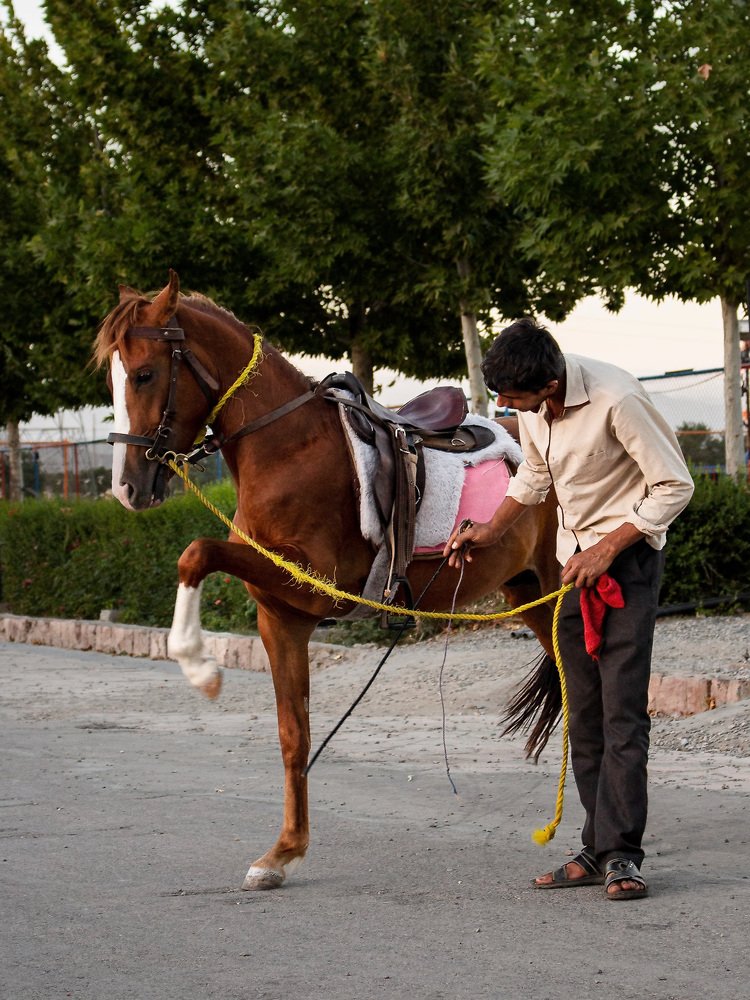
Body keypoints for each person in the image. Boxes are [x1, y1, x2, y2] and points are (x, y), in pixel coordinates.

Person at [443, 318, 694, 900]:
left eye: (514, 398)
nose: (505, 407)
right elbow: (534, 475)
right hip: (571, 568)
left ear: (550, 386)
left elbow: (674, 486)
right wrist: (489, 529)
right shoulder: (533, 409)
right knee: (581, 713)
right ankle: (595, 845)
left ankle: (623, 856)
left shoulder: (618, 399)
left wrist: (607, 547)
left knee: (621, 716)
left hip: (625, 564)